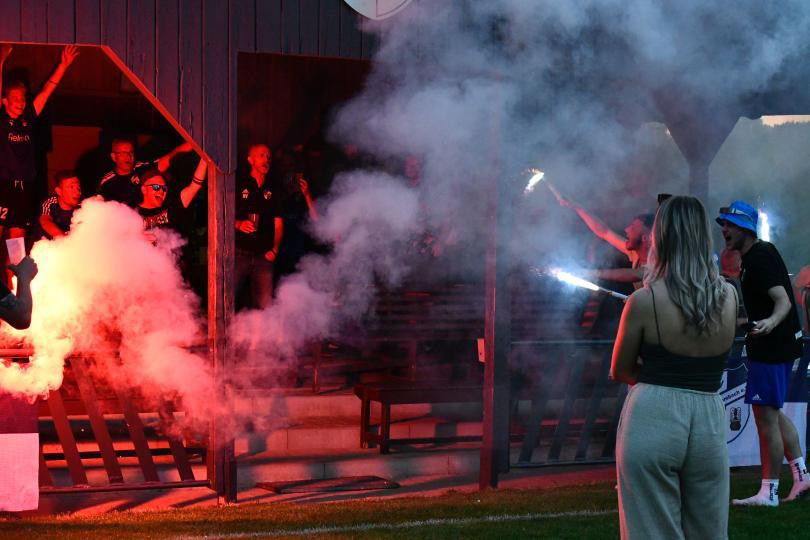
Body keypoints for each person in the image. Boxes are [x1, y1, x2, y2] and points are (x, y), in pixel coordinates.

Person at [612, 196, 737, 539]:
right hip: (709, 416)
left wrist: (658, 380)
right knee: (709, 530)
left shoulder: (644, 301)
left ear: (660, 238)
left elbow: (620, 370)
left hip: (653, 412)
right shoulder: (729, 297)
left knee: (650, 530)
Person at [717, 201, 809, 506]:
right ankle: (802, 474)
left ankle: (767, 492)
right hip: (776, 345)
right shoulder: (756, 256)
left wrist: (770, 321)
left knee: (765, 418)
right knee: (771, 413)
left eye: (730, 224)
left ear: (745, 227)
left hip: (771, 348)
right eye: (723, 224)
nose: (725, 230)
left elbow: (782, 300)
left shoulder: (759, 257)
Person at [0, 44, 78, 243]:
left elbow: (47, 89)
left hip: (26, 187)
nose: (20, 102)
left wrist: (63, 65)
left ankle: (14, 275)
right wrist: (1, 61)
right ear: (5, 101)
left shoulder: (29, 115)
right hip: (3, 185)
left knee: (17, 239)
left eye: (22, 98)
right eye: (15, 99)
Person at [549, 183, 653, 285]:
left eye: (633, 228)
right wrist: (575, 206)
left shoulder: (660, 261)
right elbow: (604, 232)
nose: (627, 230)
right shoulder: (636, 254)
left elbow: (635, 274)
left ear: (645, 238)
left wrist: (587, 273)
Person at [235, 143, 283, 310]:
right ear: (250, 159)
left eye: (268, 157)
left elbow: (278, 222)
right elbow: (222, 214)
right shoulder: (237, 184)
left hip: (264, 255)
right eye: (261, 155)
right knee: (229, 297)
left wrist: (275, 249)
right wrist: (238, 223)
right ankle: (226, 334)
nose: (266, 160)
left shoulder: (274, 188)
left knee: (264, 303)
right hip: (239, 253)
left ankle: (261, 335)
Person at [98, 138, 193, 207]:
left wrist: (194, 143)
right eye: (123, 153)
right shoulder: (107, 183)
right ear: (114, 157)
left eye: (131, 153)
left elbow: (169, 158)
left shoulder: (141, 168)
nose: (128, 157)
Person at [137, 158, 207, 234]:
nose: (161, 191)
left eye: (164, 188)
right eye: (156, 187)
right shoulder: (132, 212)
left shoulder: (171, 206)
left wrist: (205, 158)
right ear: (143, 189)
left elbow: (194, 187)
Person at [29, 170, 82, 243]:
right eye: (71, 187)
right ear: (59, 191)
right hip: (42, 249)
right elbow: (45, 221)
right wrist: (64, 239)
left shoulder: (82, 206)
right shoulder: (50, 203)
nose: (77, 191)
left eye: (78, 187)